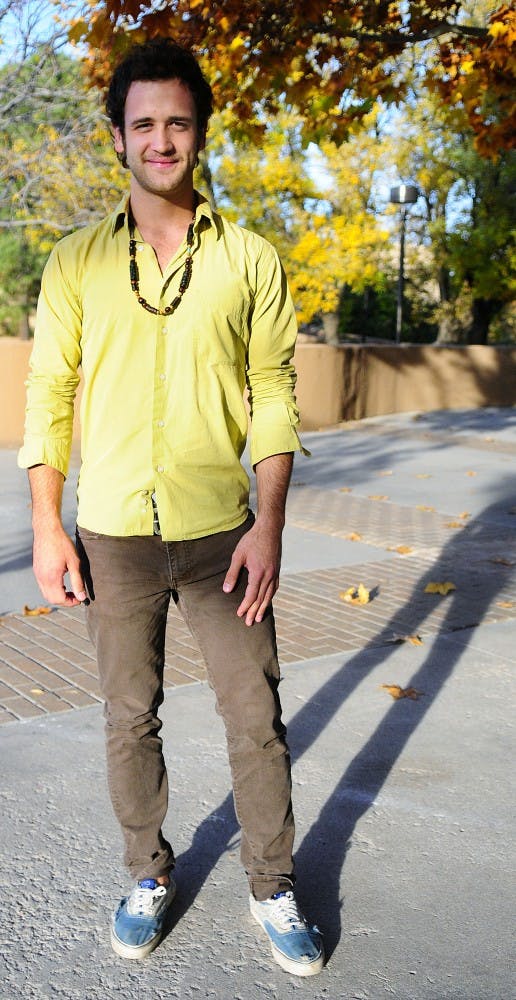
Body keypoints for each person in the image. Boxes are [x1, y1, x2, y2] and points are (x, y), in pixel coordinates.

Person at [18, 39, 324, 977]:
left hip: (222, 534)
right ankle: (148, 873)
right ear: (118, 137)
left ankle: (274, 887)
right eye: (143, 123)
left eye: (177, 123)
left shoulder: (250, 260)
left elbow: (272, 391)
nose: (161, 139)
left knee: (255, 718)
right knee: (128, 716)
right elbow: (49, 395)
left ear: (199, 132)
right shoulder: (74, 263)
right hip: (113, 533)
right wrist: (45, 523)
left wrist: (268, 525)